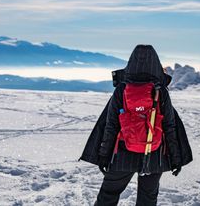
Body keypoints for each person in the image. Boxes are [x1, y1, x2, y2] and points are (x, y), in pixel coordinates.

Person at [79, 44, 193, 206]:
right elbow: (170, 126)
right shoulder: (160, 90)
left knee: (108, 194)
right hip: (155, 155)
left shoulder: (122, 89)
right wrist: (175, 158)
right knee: (148, 198)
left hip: (122, 154)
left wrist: (103, 155)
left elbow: (111, 124)